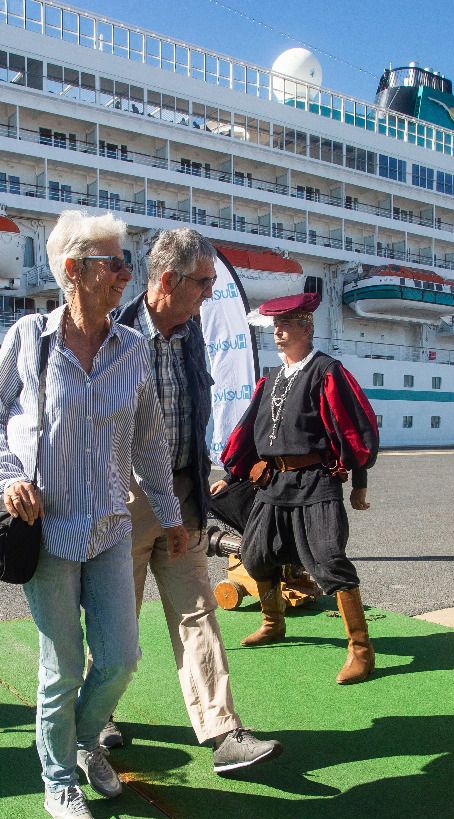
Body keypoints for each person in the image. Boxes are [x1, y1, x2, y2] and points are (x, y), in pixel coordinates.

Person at [0, 210, 186, 819]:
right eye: (114, 263)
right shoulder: (30, 339)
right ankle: (59, 779)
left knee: (120, 658)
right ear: (74, 270)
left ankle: (88, 742)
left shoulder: (133, 348)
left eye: (126, 263)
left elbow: (149, 440)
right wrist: (8, 477)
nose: (125, 274)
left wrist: (170, 514)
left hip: (111, 525)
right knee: (62, 666)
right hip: (49, 531)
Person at [108, 228, 281, 772]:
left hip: (184, 494)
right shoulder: (114, 335)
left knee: (197, 609)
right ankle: (98, 714)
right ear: (168, 280)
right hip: (127, 499)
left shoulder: (192, 333)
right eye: (203, 283)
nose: (210, 293)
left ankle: (223, 730)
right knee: (117, 614)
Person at [216, 292, 379, 684]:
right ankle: (274, 624)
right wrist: (233, 476)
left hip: (316, 482)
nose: (278, 332)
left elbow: (355, 429)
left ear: (306, 327)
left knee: (328, 560)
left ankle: (361, 650)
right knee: (256, 555)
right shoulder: (272, 378)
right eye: (276, 325)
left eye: (286, 325)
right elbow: (250, 431)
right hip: (273, 483)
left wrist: (359, 483)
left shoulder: (327, 372)